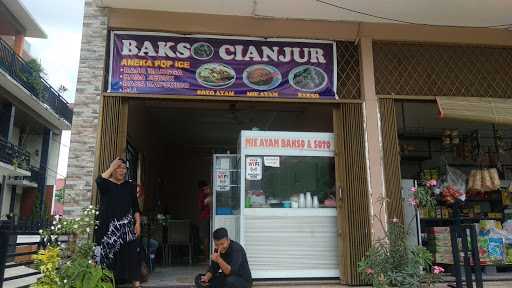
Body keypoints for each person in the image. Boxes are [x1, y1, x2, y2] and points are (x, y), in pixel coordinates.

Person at [95, 157, 142, 288]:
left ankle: (136, 284)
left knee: (132, 255)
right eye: (118, 167)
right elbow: (98, 181)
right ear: (113, 170)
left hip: (127, 228)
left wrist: (137, 223)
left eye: (124, 168)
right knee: (109, 257)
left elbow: (136, 207)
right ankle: (108, 283)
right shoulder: (106, 185)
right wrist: (111, 167)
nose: (122, 170)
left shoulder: (130, 187)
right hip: (109, 228)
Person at [198, 180, 212, 258]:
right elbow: (204, 204)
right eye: (207, 188)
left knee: (206, 237)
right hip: (206, 217)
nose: (208, 189)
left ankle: (206, 256)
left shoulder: (204, 195)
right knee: (206, 237)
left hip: (206, 217)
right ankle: (206, 256)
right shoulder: (204, 195)